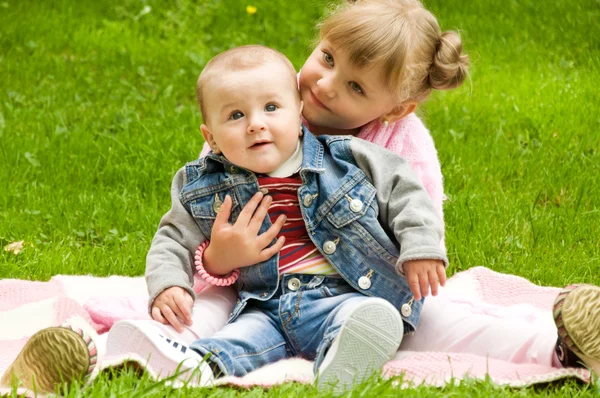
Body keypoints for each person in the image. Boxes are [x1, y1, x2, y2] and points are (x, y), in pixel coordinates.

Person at [3, 0, 598, 393]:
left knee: (450, 320)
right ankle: (88, 356)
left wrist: (420, 250)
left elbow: (414, 204)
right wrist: (213, 264)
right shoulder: (267, 106)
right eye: (326, 59)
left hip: (370, 287)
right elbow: (182, 225)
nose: (322, 84)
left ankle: (564, 343)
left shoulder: (392, 148)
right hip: (252, 289)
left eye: (354, 85)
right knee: (191, 318)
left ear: (394, 107)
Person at [129, 43, 447, 392]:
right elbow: (172, 237)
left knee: (360, 319)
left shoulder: (346, 158)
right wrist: (169, 284)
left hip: (346, 294)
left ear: (299, 116)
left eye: (271, 108)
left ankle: (345, 358)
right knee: (236, 340)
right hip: (266, 306)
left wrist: (421, 245)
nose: (255, 125)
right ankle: (191, 365)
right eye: (236, 116)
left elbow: (406, 192)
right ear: (211, 138)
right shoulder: (201, 184)